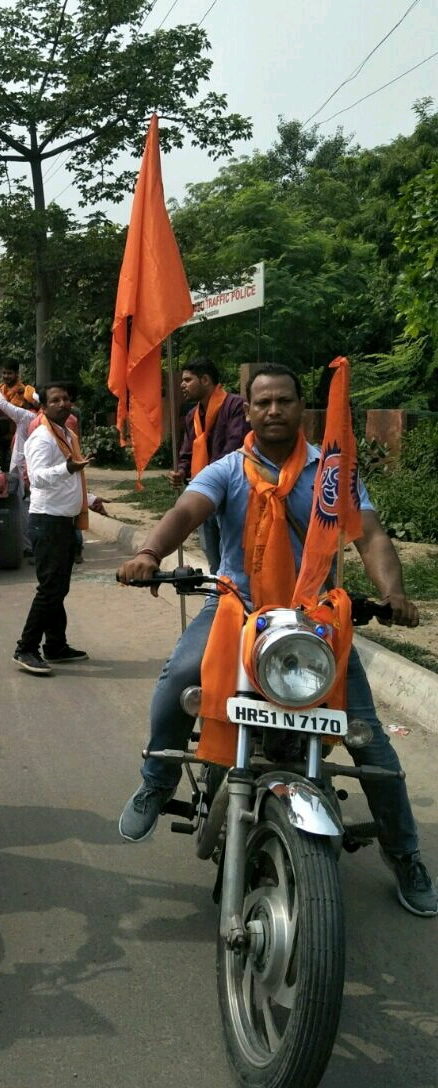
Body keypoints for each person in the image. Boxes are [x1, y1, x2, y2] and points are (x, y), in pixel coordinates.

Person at [116, 362, 437, 917]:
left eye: (283, 400)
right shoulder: (228, 470)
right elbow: (187, 511)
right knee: (179, 679)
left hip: (314, 620)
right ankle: (156, 779)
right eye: (262, 402)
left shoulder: (332, 473)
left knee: (370, 743)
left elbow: (370, 535)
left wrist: (394, 594)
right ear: (247, 408)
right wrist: (149, 552)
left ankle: (404, 852)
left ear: (300, 406)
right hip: (237, 608)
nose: (273, 410)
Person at [14, 382, 93, 676]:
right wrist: (67, 468)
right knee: (50, 589)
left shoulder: (67, 434)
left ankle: (56, 645)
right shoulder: (42, 437)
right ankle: (26, 648)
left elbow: (71, 480)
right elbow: (36, 478)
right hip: (47, 521)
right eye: (55, 400)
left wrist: (90, 498)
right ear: (44, 407)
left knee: (59, 586)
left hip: (64, 521)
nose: (62, 404)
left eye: (66, 399)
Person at [169, 357, 248, 573]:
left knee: (233, 555)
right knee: (212, 555)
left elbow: (234, 447)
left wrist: (209, 476)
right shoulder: (192, 416)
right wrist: (181, 471)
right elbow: (187, 452)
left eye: (188, 380)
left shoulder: (235, 406)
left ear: (205, 380)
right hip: (205, 493)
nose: (182, 385)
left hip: (231, 492)